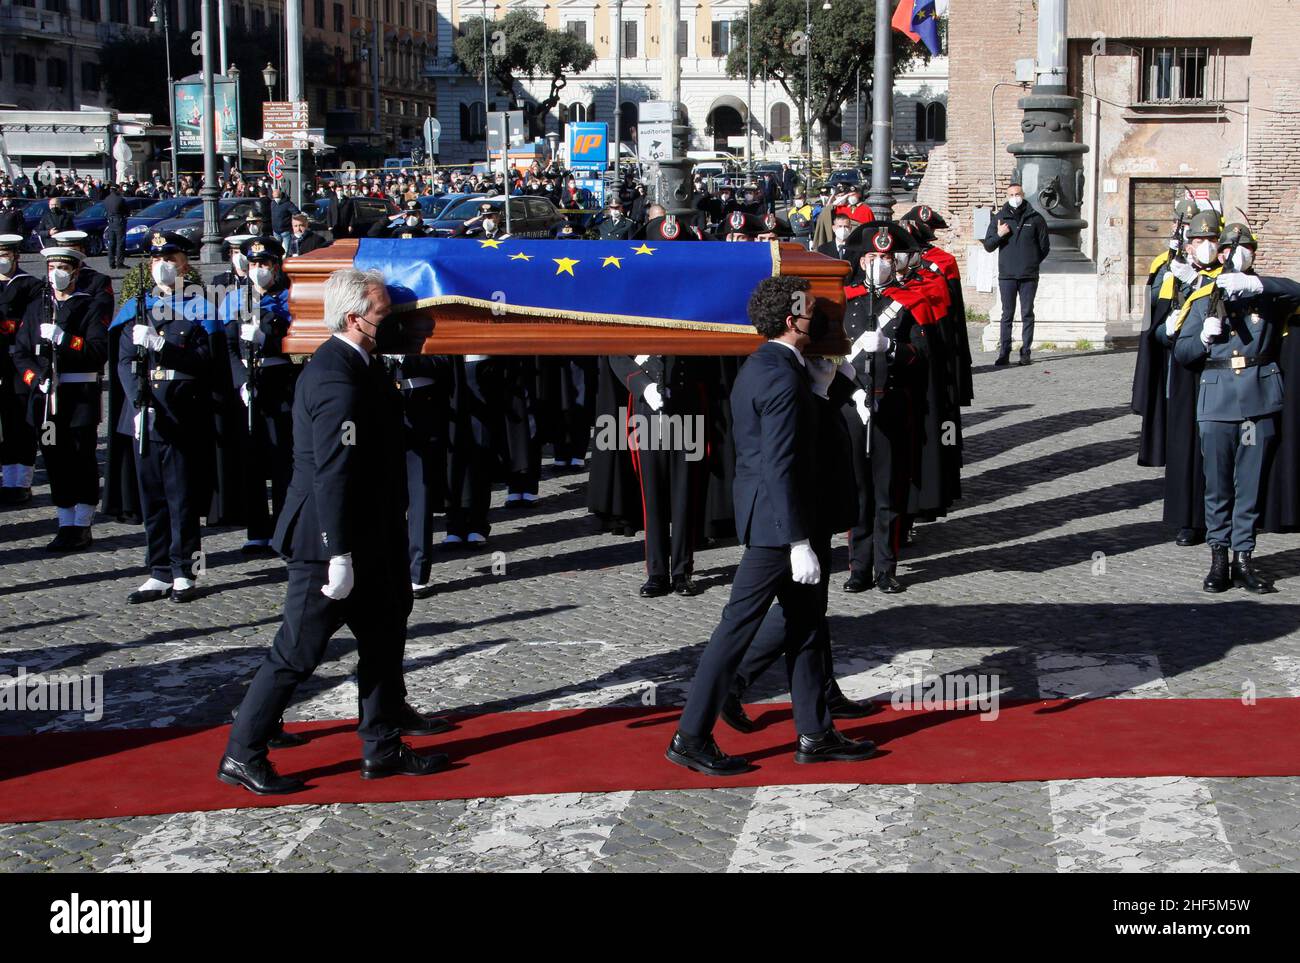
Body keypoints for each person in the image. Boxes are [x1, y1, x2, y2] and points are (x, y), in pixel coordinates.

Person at [219, 267, 451, 796]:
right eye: (382, 316)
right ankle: (242, 751)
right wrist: (338, 554)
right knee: (297, 651)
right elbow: (332, 472)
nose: (389, 324)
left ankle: (382, 745)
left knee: (385, 636)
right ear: (354, 318)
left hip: (371, 533)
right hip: (328, 540)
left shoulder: (361, 365)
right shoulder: (335, 379)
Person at [666, 275, 878, 776]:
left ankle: (816, 732)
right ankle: (690, 736)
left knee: (806, 626)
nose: (821, 322)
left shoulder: (778, 365)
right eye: (812, 315)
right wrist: (797, 541)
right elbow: (779, 464)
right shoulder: (781, 375)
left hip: (791, 517)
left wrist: (831, 385)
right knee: (735, 629)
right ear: (792, 320)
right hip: (778, 526)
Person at [1172, 223, 1300, 594]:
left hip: (1258, 400)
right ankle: (1218, 557)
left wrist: (1260, 285)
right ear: (1220, 253)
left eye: (1245, 248)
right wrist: (1201, 337)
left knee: (1250, 483)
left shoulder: (1267, 295)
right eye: (1229, 248)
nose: (1236, 254)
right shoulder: (1205, 296)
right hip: (1217, 400)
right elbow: (1182, 353)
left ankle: (1244, 557)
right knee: (1218, 486)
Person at [112, 231, 213, 604]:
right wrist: (135, 404)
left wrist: (163, 348)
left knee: (181, 496)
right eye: (156, 259)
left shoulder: (199, 306)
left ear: (184, 263)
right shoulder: (137, 309)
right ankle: (157, 570)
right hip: (144, 413)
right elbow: (123, 362)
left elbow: (205, 362)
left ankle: (185, 571)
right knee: (151, 495)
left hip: (180, 411)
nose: (162, 266)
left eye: (169, 258)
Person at [12, 245, 108, 549]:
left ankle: (82, 523)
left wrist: (65, 339)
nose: (57, 274)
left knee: (81, 459)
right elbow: (22, 353)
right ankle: (65, 521)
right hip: (45, 400)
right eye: (53, 267)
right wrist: (35, 378)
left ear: (76, 272)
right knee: (55, 459)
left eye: (63, 268)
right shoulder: (37, 307)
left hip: (78, 397)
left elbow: (97, 351)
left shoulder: (88, 306)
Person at [219, 237, 298, 554]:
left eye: (264, 264)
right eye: (253, 264)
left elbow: (298, 343)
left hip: (279, 380)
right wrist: (240, 380)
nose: (258, 270)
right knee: (251, 460)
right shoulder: (235, 299)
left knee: (282, 461)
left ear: (276, 267)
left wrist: (268, 338)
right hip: (247, 387)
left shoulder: (289, 299)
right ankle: (256, 530)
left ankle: (282, 528)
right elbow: (226, 346)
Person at [984, 182, 1051, 366]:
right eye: (1011, 194)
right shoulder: (1000, 218)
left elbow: (1044, 246)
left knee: (1027, 313)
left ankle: (1025, 352)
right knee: (1007, 314)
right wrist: (999, 234)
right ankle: (1004, 352)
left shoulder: (1036, 218)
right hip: (1007, 275)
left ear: (1023, 194)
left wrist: (1031, 262)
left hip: (1029, 275)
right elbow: (988, 246)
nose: (1015, 197)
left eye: (1018, 194)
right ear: (1007, 197)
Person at [0, 234, 42, 504]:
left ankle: (21, 480)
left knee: (19, 420)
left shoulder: (29, 284)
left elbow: (31, 323)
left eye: (5, 254)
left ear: (15, 256)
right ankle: (6, 476)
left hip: (18, 360)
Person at [102, 183, 129, 269]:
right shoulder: (120, 199)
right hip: (119, 221)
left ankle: (111, 263)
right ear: (117, 190)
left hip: (110, 222)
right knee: (120, 243)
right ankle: (120, 263)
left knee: (111, 243)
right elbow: (126, 211)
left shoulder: (106, 199)